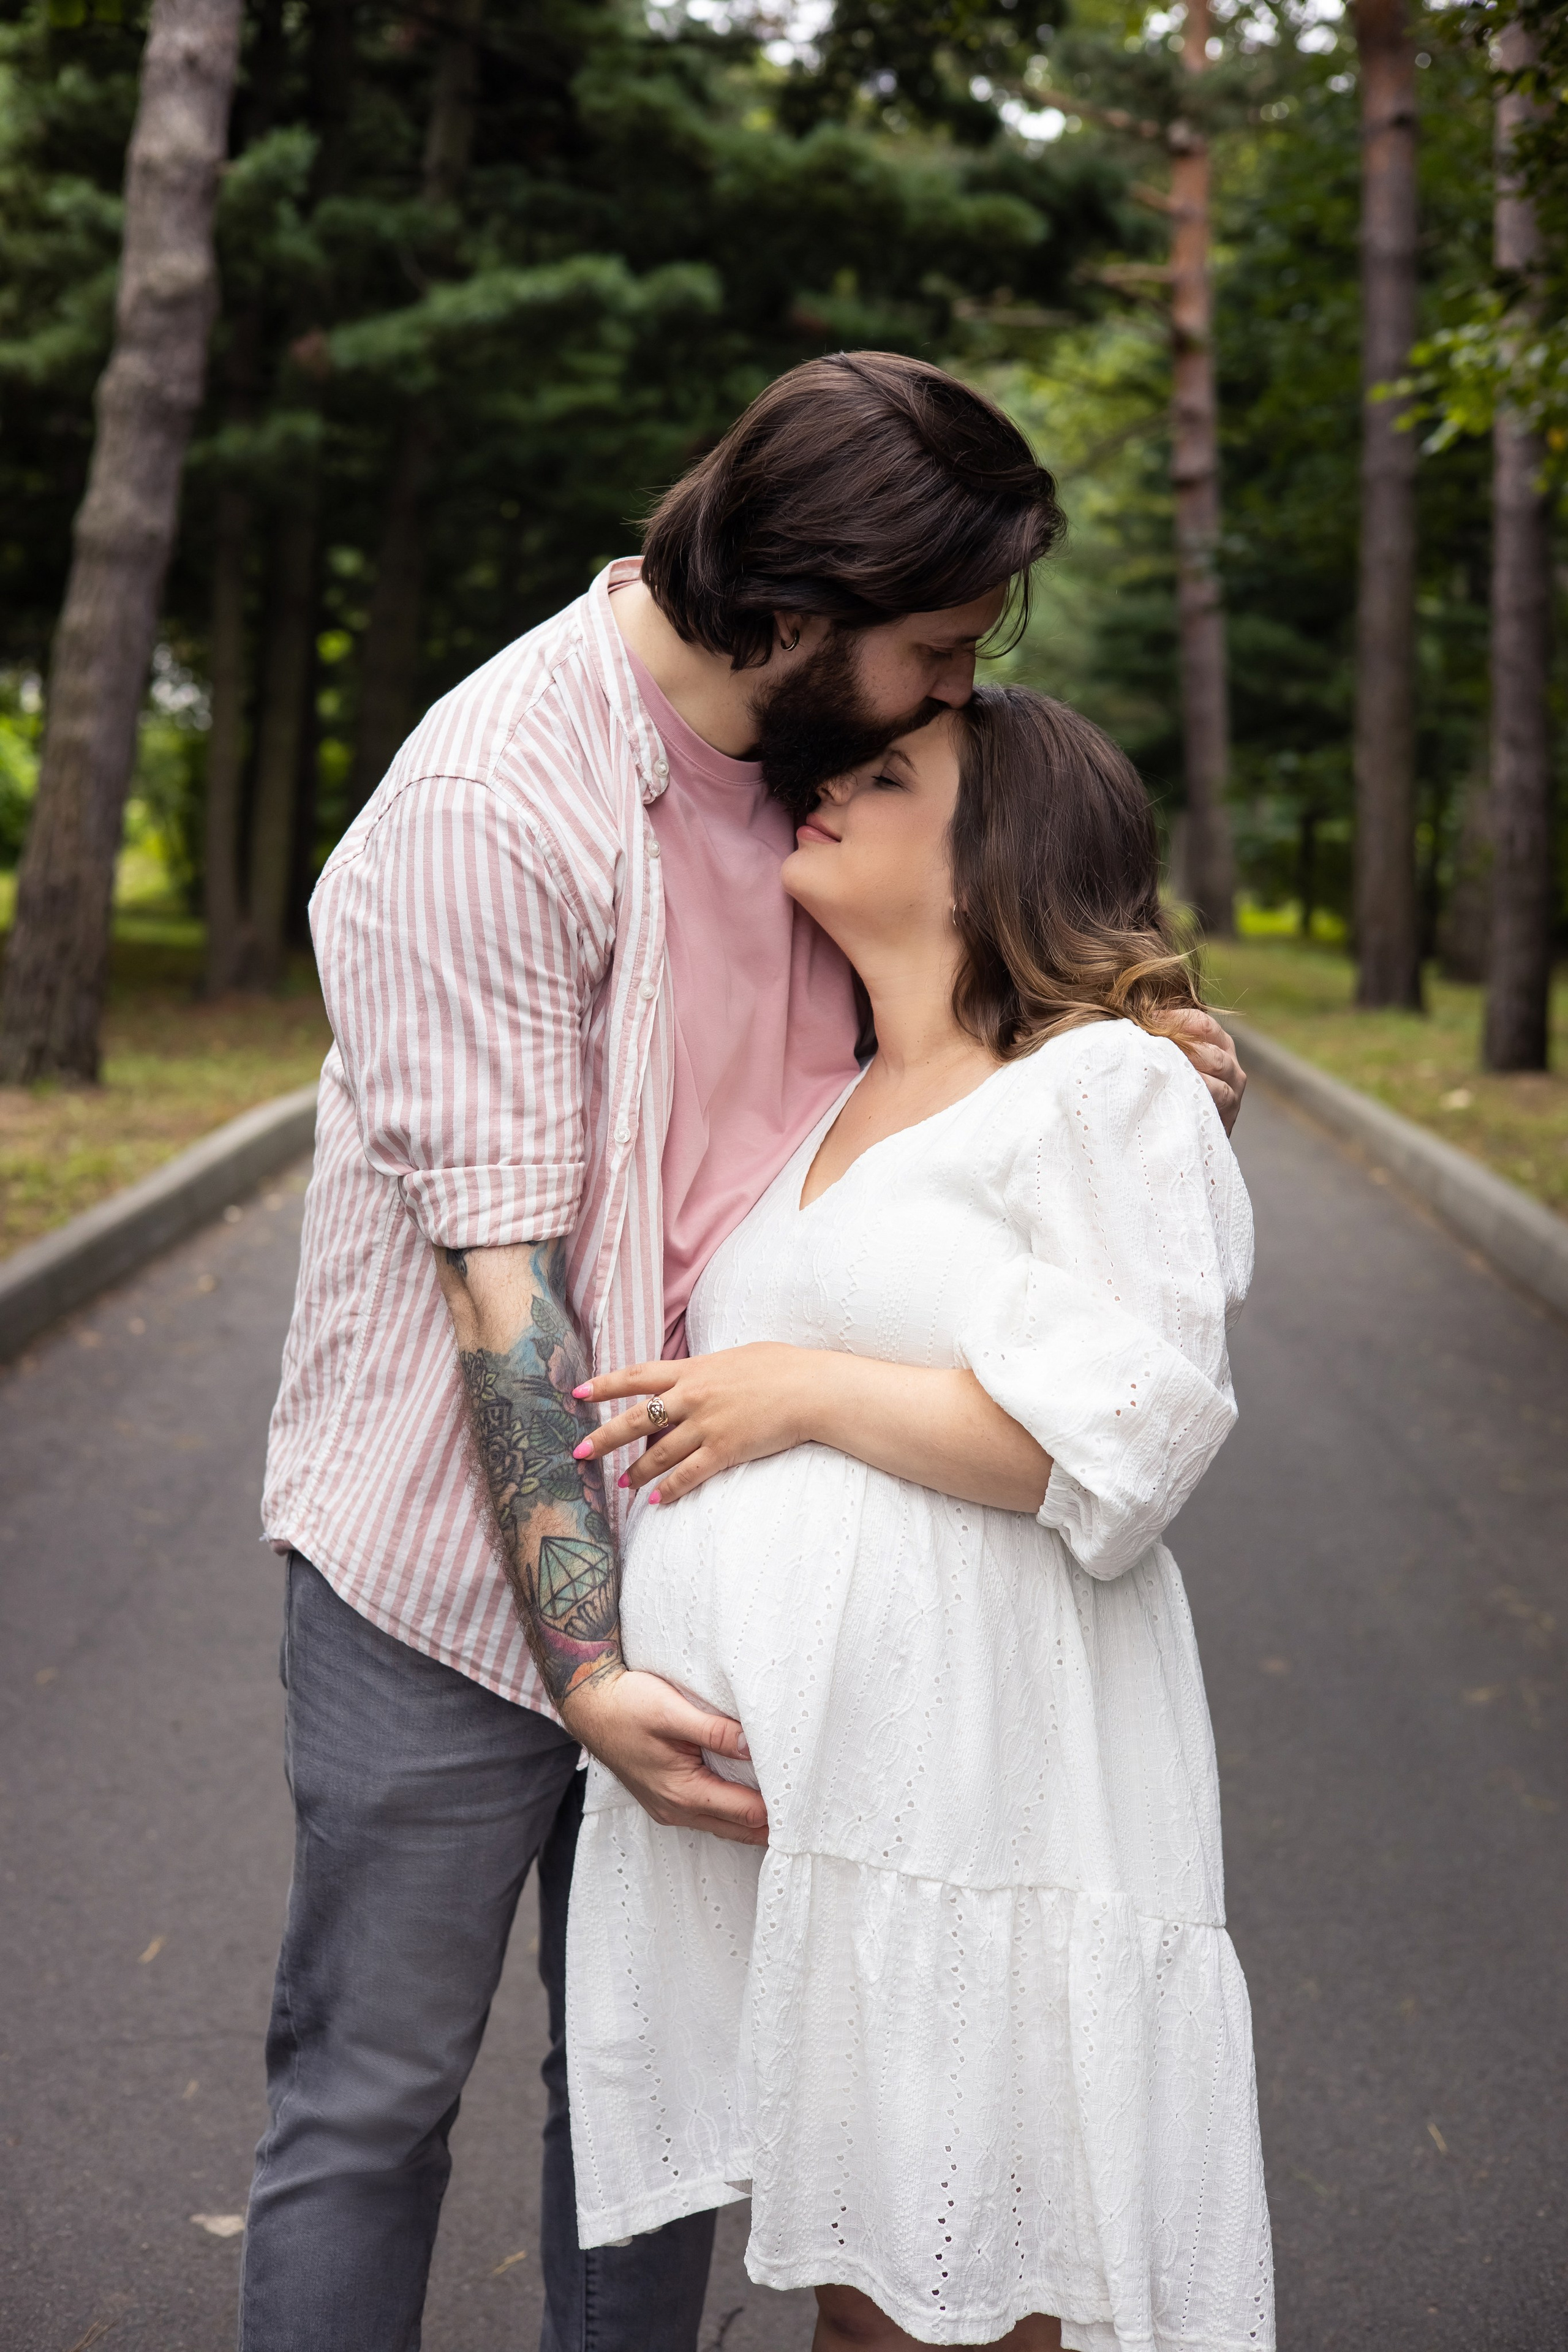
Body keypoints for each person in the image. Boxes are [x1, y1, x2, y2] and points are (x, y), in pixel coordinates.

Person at [243, 352, 1248, 2351]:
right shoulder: (493, 802)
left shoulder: (817, 783)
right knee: (373, 2101)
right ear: (792, 620)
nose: (957, 692)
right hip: (458, 1583)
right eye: (937, 652)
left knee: (661, 2118)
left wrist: (1130, 1041)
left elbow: (954, 1009)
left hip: (729, 1602)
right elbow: (503, 1298)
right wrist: (590, 1663)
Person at [565, 688, 1273, 2351]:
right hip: (851, 1832)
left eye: (888, 777)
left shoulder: (1102, 1087)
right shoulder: (833, 1100)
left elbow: (1129, 1444)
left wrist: (799, 1393)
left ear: (992, 861)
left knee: (979, 2294)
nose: (827, 792)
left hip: (992, 1813)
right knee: (872, 2298)